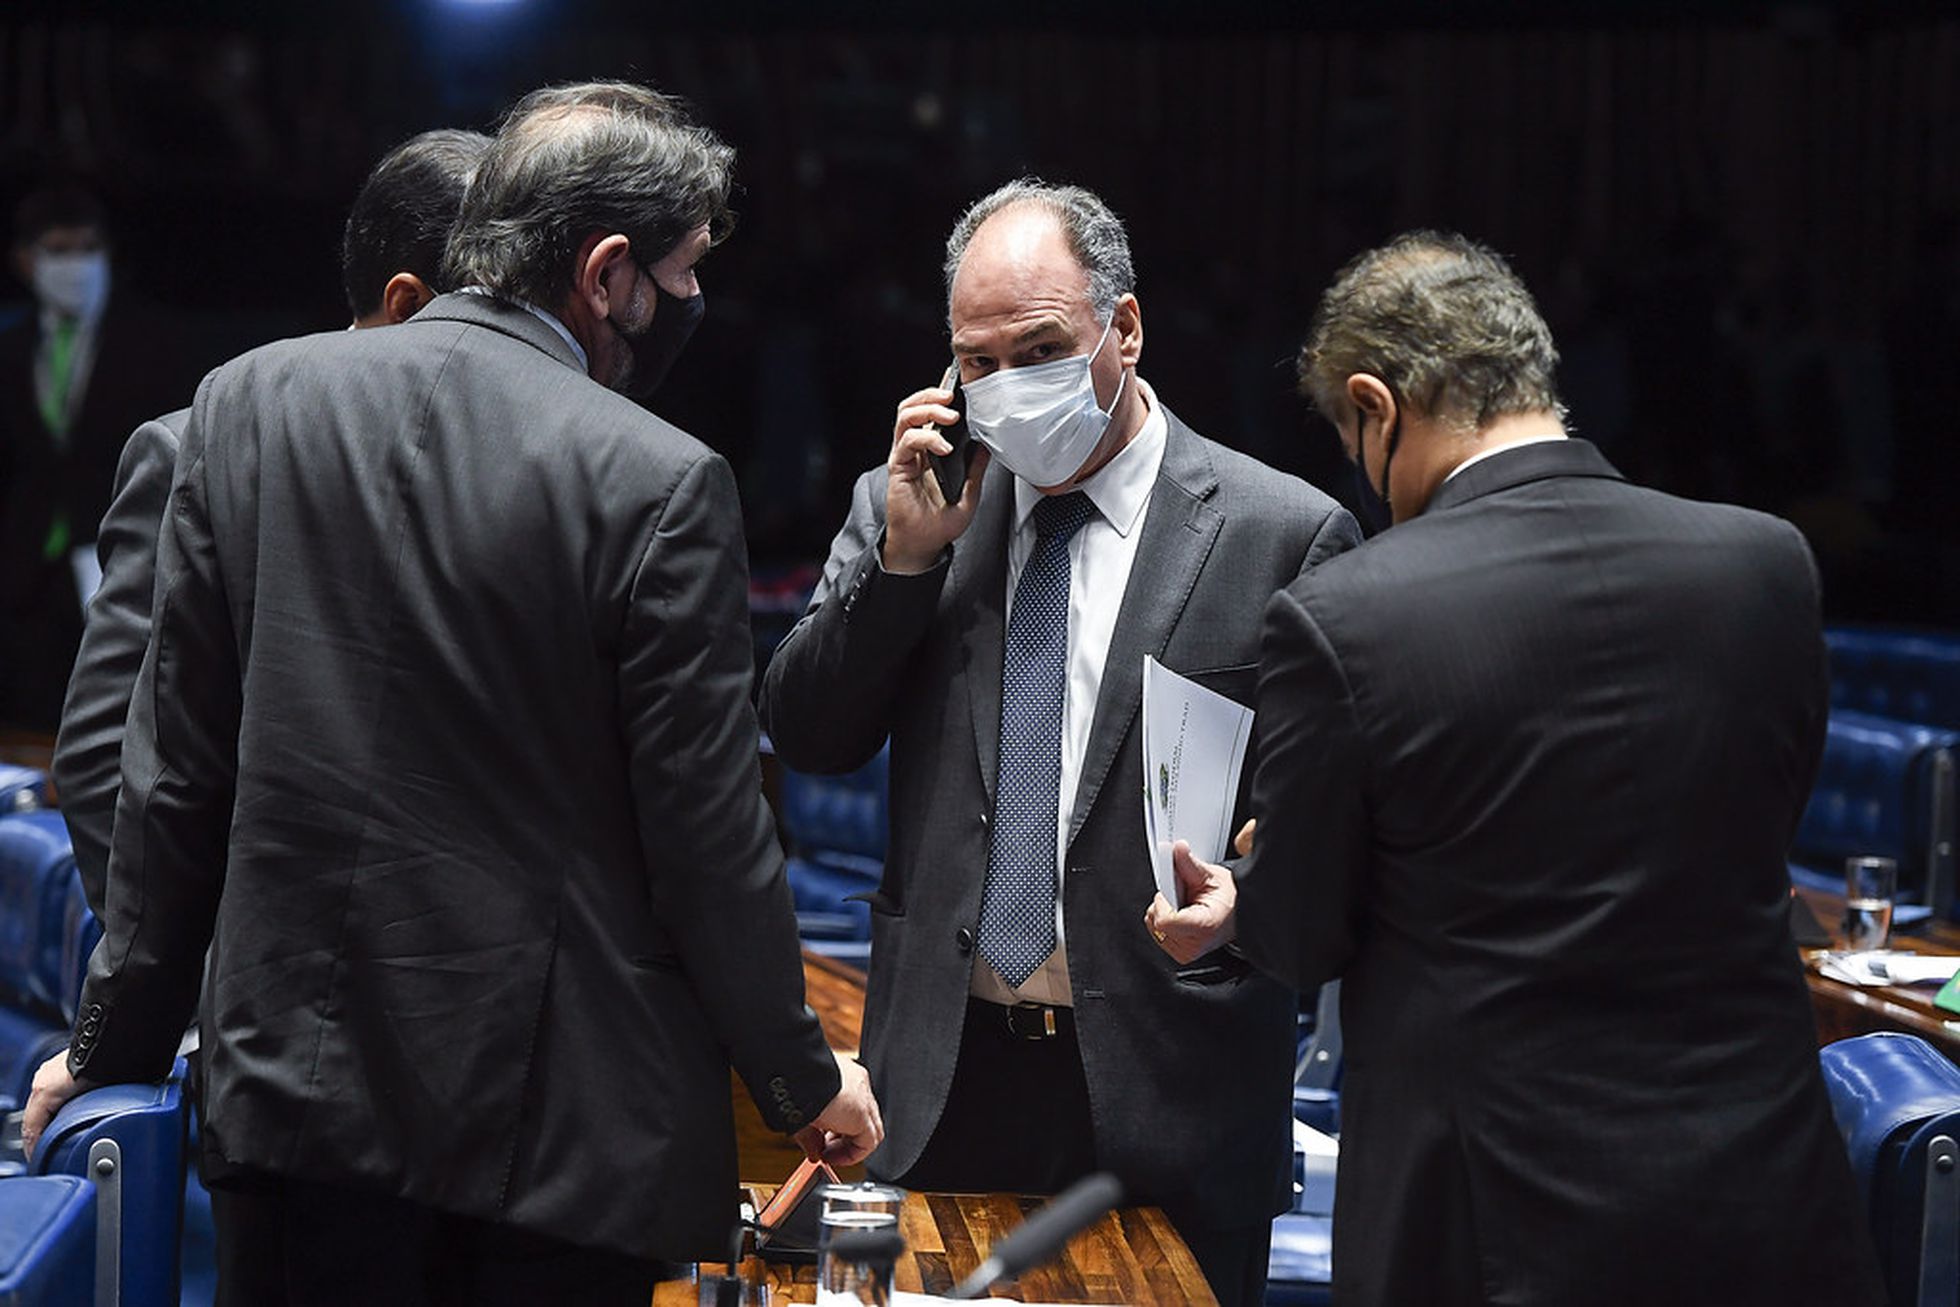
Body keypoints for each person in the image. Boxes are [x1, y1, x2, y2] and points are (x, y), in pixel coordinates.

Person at [24, 80, 881, 1306]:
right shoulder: (659, 479)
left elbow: (170, 791)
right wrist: (800, 1079)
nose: (693, 304)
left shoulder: (247, 405)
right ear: (605, 271)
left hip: (294, 1120)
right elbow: (708, 841)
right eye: (684, 272)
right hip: (552, 1152)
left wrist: (106, 1049)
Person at [1228, 230, 1885, 1304]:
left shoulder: (1345, 616)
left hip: (1492, 1226)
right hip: (1760, 1200)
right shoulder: (1763, 563)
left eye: (1352, 438)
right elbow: (1751, 834)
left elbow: (1299, 937)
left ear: (1376, 405)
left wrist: (1263, 877)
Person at [758, 178, 1358, 1307]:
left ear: (1123, 330)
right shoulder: (912, 508)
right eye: (974, 363)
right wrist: (899, 566)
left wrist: (1246, 895)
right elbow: (807, 733)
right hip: (940, 1075)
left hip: (1169, 1083)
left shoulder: (1282, 533)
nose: (1004, 388)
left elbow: (1327, 824)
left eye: (1038, 347)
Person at [53, 127, 492, 911]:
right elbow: (101, 757)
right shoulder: (194, 452)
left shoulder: (514, 475)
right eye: (499, 323)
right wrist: (193, 976)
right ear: (408, 304)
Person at [0, 182, 202, 733]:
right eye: (59, 251)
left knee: (113, 719)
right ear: (26, 260)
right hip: (28, 567)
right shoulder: (12, 348)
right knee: (30, 716)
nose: (76, 265)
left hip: (119, 557)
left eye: (87, 249)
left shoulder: (154, 342)